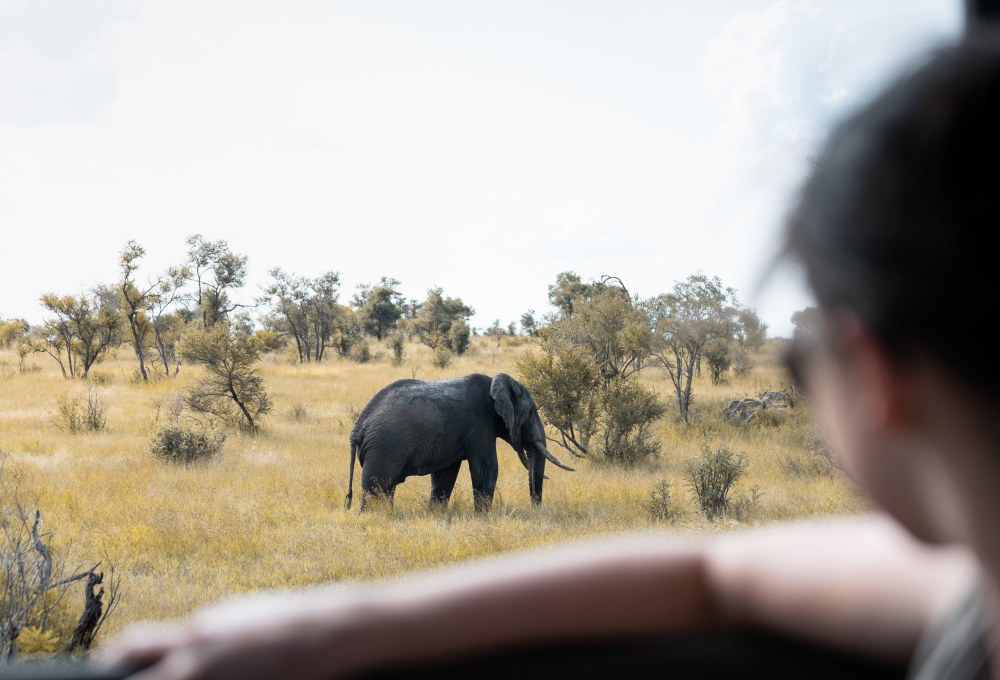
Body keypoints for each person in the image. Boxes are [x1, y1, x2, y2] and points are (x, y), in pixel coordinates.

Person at [99, 35, 1000, 680]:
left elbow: (715, 572)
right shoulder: (974, 592)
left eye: (804, 364)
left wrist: (344, 628)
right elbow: (715, 574)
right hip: (405, 434)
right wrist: (350, 619)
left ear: (871, 376)